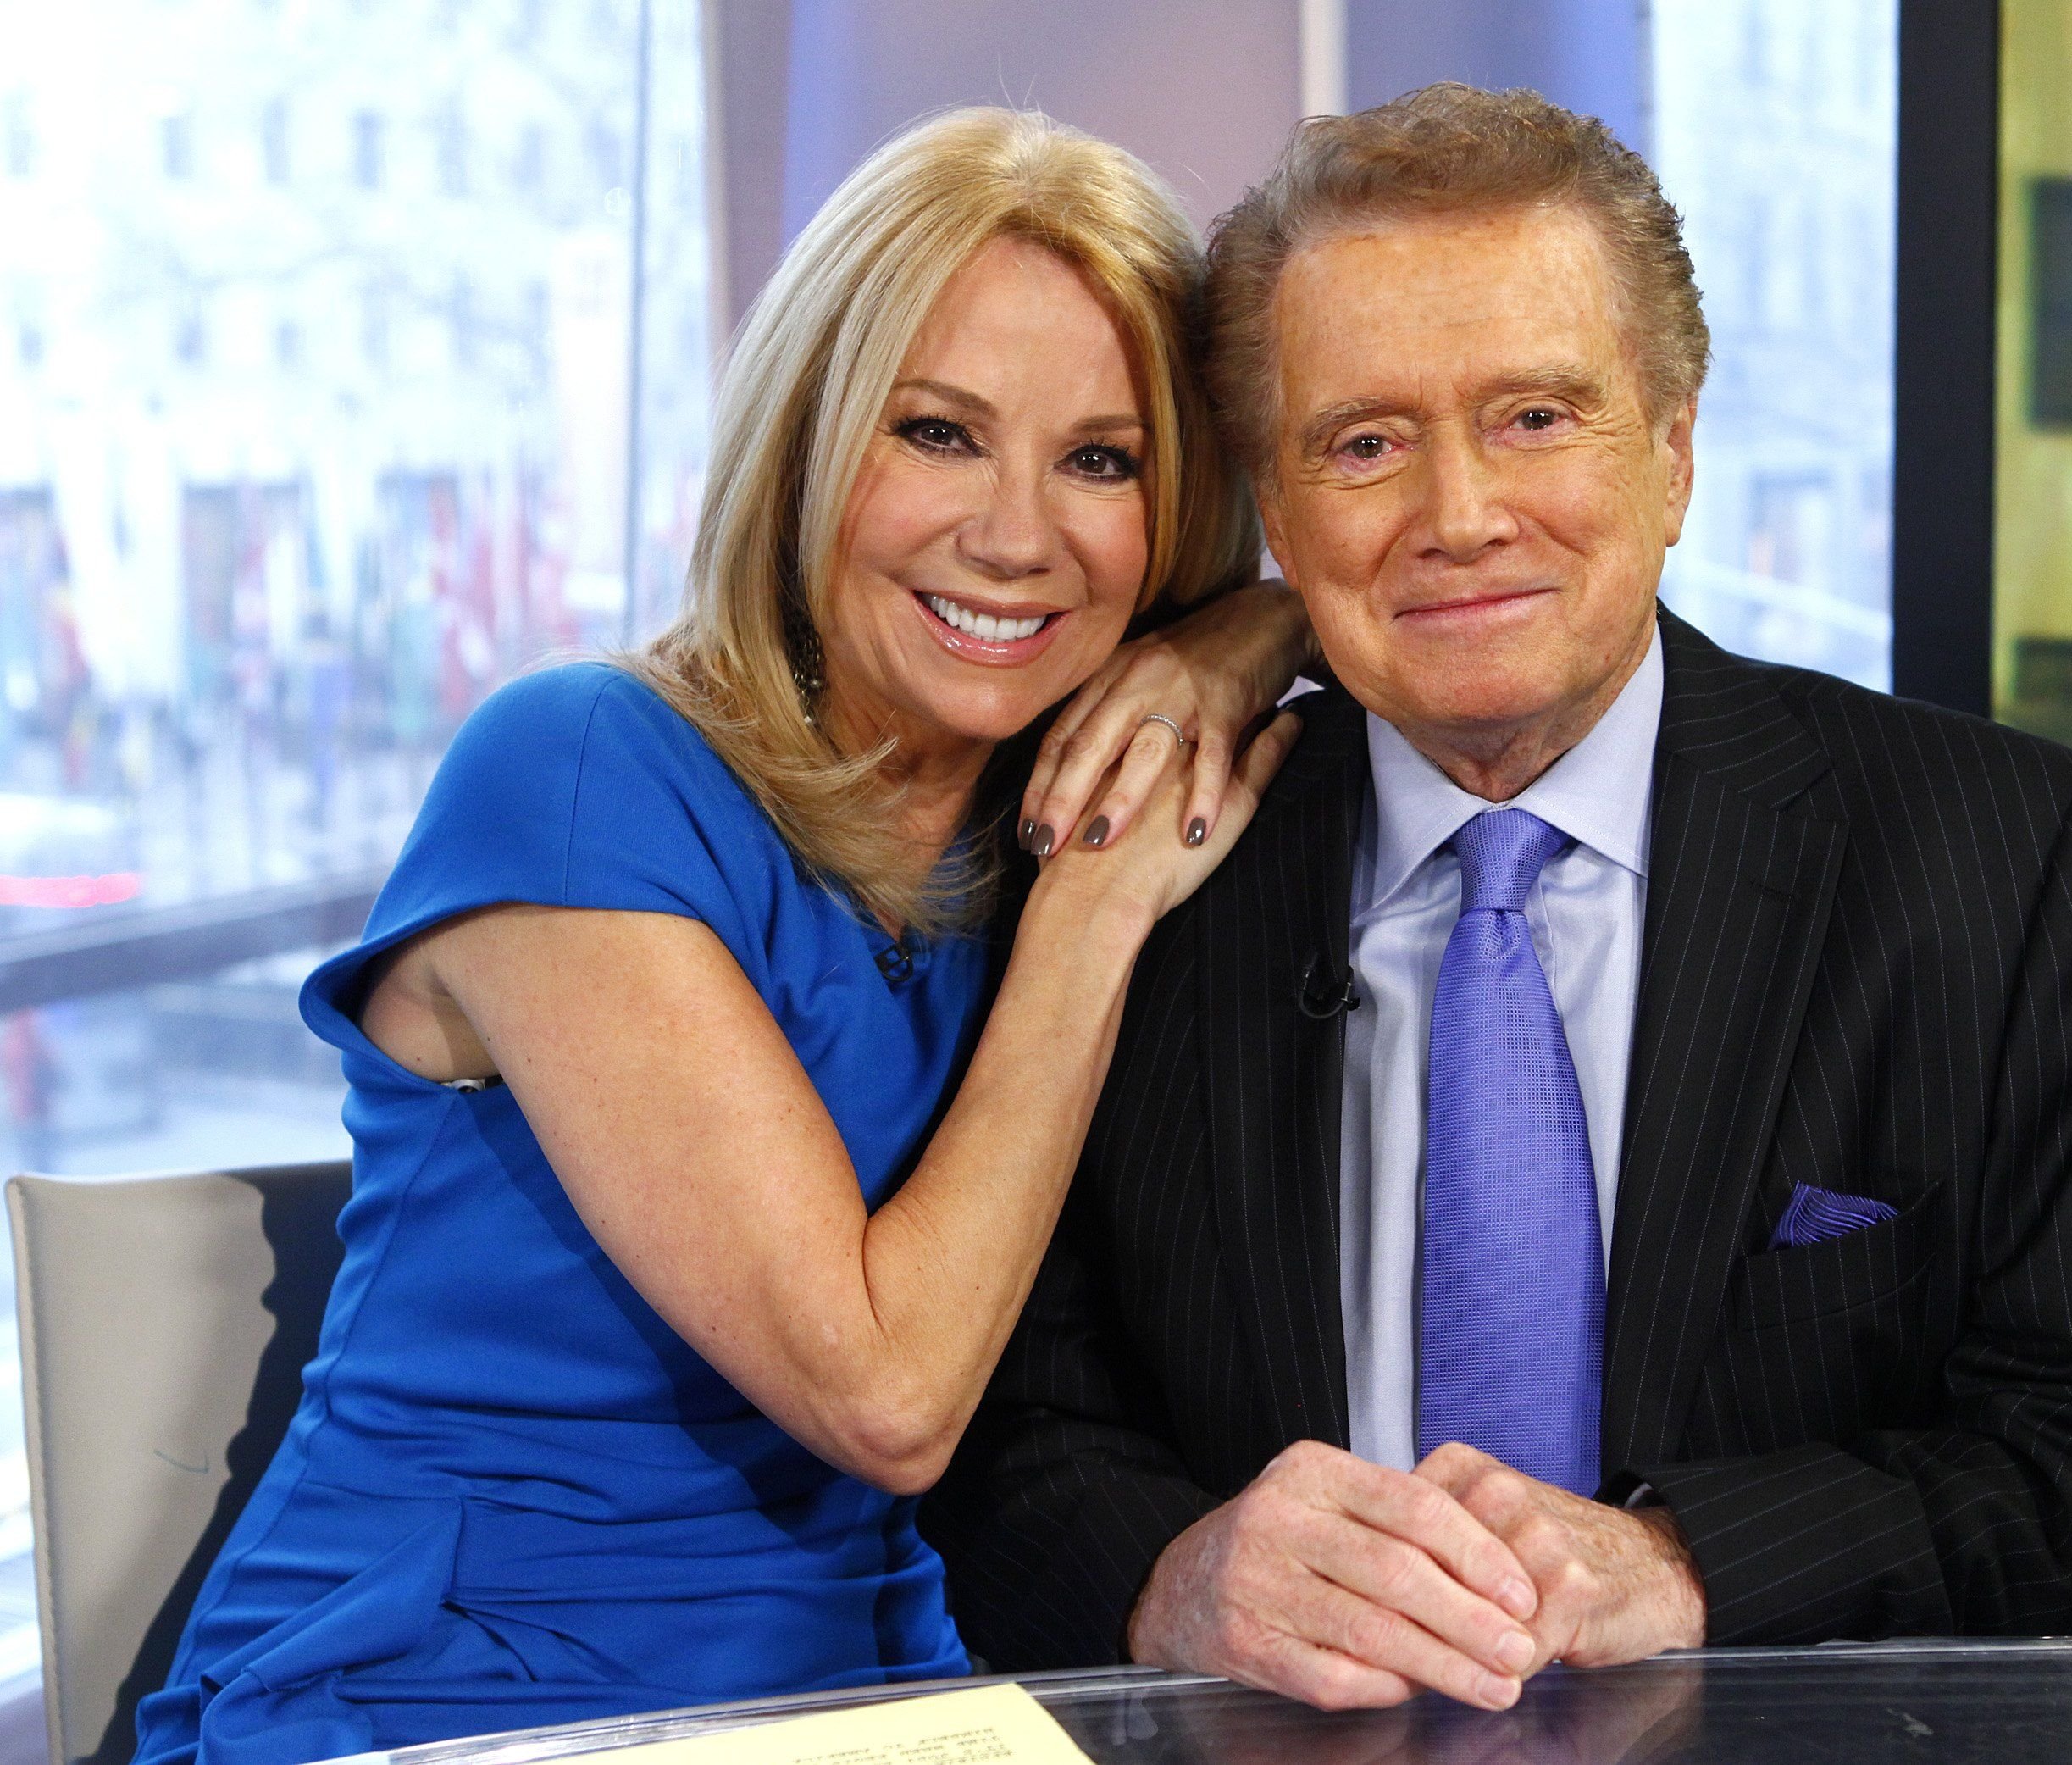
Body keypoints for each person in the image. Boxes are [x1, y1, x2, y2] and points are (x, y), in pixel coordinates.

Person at [928, 83, 2072, 1711]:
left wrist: (1687, 1563)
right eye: (1366, 443)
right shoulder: (1135, 867)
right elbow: (1007, 1431)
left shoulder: (2005, 855)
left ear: (1676, 451)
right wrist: (1167, 1573)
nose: (1461, 512)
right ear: (1278, 515)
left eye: (1537, 417)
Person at [135, 108, 1316, 1765]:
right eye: (939, 432)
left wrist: (1237, 638)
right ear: (810, 439)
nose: (1017, 532)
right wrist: (1094, 913)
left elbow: (1355, 598)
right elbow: (889, 1396)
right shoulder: (577, 765)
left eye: (1102, 460)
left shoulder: (1015, 805)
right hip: (446, 1701)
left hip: (865, 1698)